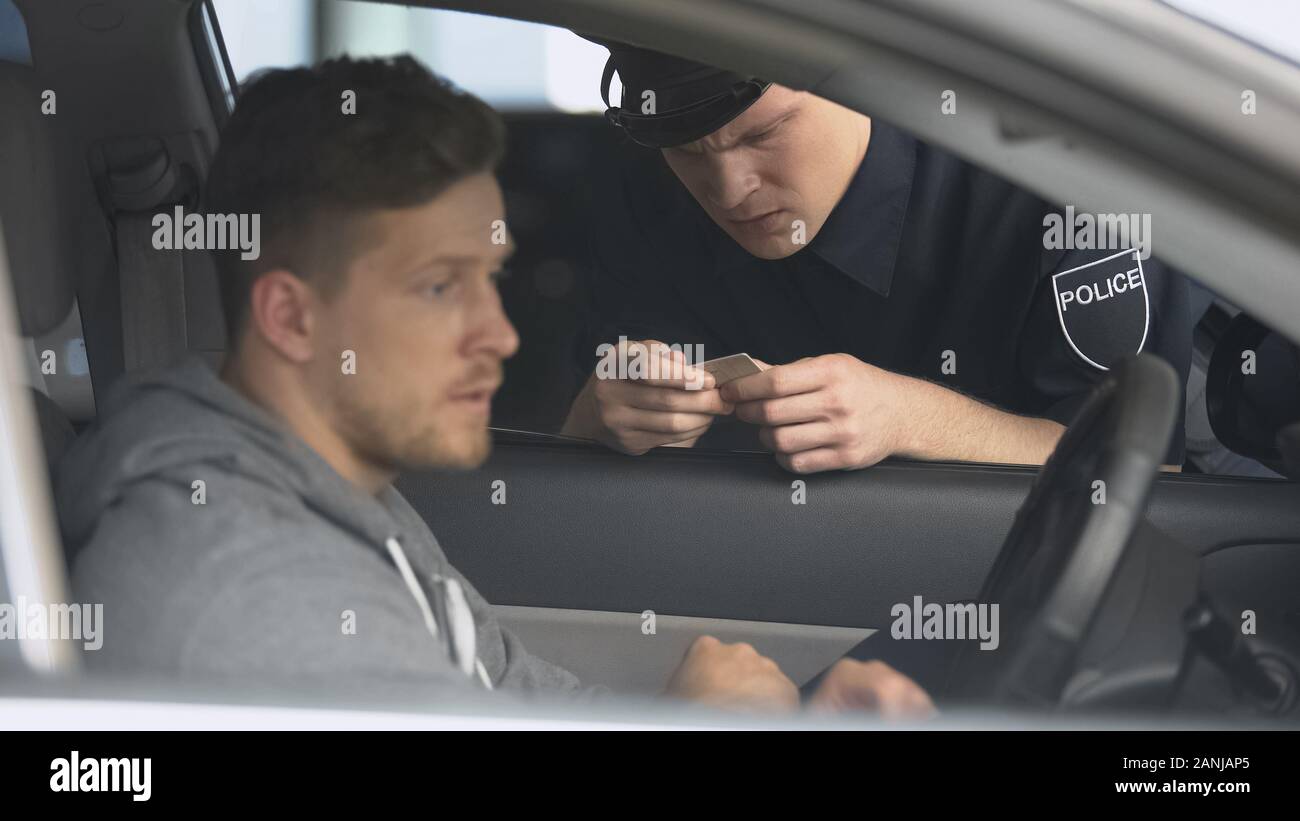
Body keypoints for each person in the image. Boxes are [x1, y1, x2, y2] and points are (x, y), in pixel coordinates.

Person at [59, 55, 933, 719]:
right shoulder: (246, 604)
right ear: (291, 317)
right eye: (440, 286)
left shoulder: (341, 498)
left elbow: (507, 698)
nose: (503, 336)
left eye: (493, 278)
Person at [562, 39, 1193, 473]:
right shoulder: (647, 190)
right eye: (692, 153)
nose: (729, 190)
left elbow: (1144, 469)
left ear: (864, 82)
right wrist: (603, 415)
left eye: (763, 135)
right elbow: (573, 460)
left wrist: (912, 420)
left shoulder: (1056, 185)